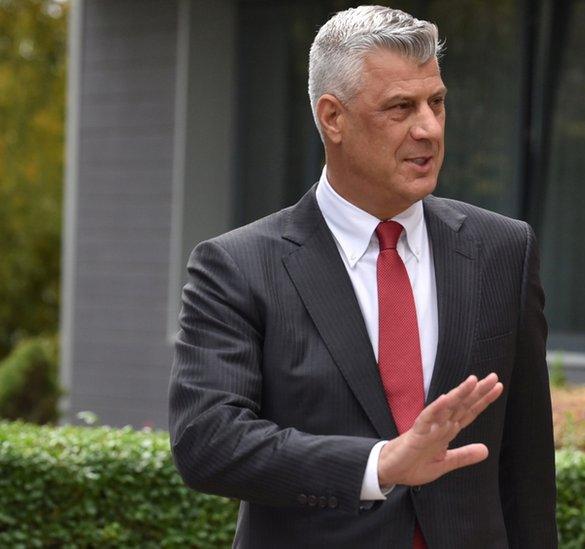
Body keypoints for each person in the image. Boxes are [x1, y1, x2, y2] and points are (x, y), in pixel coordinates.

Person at [167, 5, 557, 548]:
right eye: (401, 107)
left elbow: (527, 465)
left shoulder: (503, 250)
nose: (429, 128)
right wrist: (379, 464)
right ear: (333, 118)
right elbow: (206, 442)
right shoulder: (237, 267)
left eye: (436, 102)